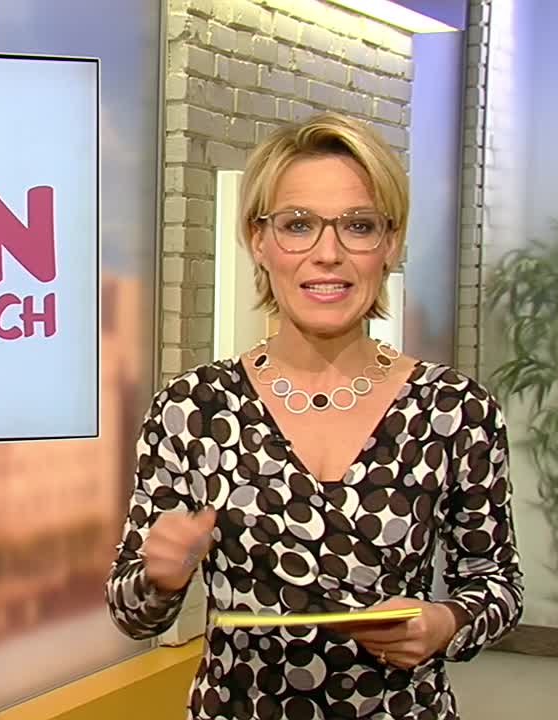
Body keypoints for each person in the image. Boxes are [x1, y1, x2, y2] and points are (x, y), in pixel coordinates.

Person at [105, 112, 523, 720]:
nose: (328, 254)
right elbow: (131, 612)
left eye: (358, 226)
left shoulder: (455, 409)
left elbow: (496, 584)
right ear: (258, 240)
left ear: (391, 243)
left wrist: (444, 622)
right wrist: (161, 577)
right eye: (298, 224)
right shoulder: (194, 407)